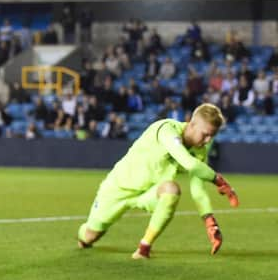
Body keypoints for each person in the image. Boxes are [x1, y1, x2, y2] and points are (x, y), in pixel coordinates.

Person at [76, 103, 239, 259]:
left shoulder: (199, 151)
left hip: (149, 192)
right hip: (118, 188)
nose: (208, 141)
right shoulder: (166, 129)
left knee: (171, 190)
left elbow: (198, 189)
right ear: (192, 124)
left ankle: (144, 248)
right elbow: (188, 162)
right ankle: (84, 234)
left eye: (212, 136)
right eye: (205, 134)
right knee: (90, 236)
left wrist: (209, 220)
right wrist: (218, 180)